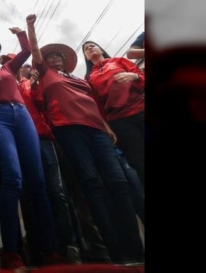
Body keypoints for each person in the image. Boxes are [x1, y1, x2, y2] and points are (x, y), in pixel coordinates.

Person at [25, 15, 144, 264]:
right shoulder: (46, 75)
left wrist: (106, 127)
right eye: (51, 57)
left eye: (58, 56)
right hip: (69, 130)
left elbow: (95, 104)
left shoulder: (81, 79)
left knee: (119, 183)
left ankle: (135, 250)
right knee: (92, 184)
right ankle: (115, 252)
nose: (55, 58)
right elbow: (35, 51)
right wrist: (30, 27)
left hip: (98, 131)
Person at [0, 29, 62, 268]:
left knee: (38, 182)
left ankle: (51, 250)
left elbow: (26, 51)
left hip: (23, 116)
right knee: (12, 178)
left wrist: (23, 33)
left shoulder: (8, 69)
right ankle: (11, 253)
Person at [17, 65, 82, 263]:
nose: (27, 69)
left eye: (28, 66)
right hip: (19, 142)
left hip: (44, 138)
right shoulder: (9, 85)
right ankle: (41, 249)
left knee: (57, 191)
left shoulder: (33, 85)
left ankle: (69, 246)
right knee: (31, 195)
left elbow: (42, 104)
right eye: (22, 66)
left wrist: (34, 84)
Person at [83, 41, 145, 186]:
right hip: (119, 122)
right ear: (86, 57)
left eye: (93, 45)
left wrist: (134, 76)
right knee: (138, 161)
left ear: (101, 49)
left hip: (141, 110)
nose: (90, 48)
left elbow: (142, 78)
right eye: (86, 49)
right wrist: (108, 128)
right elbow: (97, 106)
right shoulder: (89, 78)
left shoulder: (119, 61)